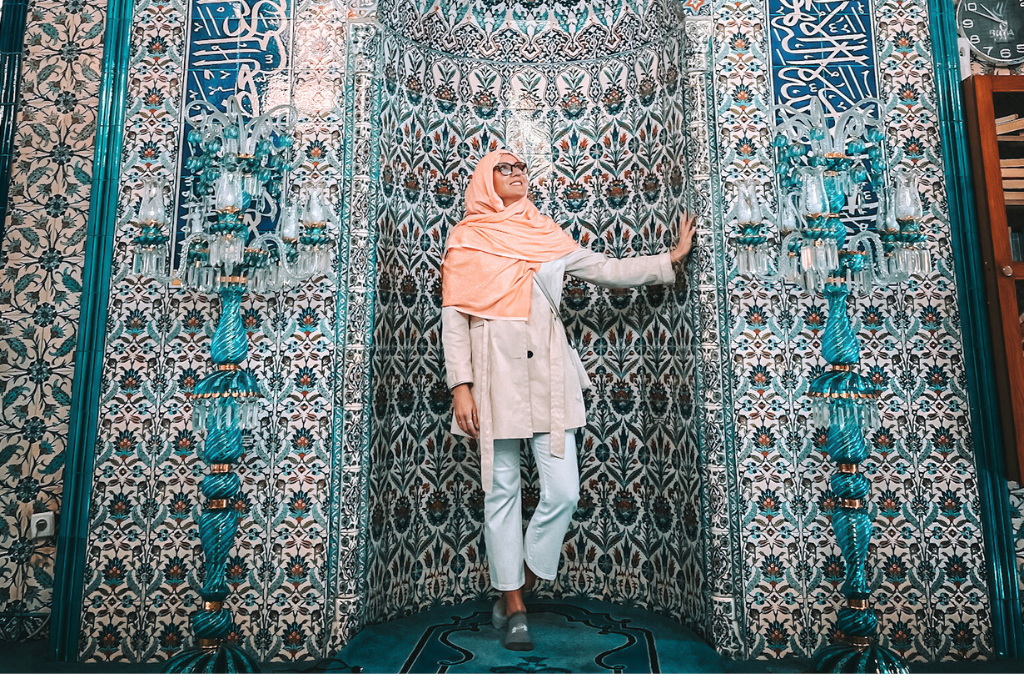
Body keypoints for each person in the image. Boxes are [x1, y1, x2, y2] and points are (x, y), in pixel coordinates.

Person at [439, 149, 696, 651]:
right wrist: (460, 387)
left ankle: (526, 577)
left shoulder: (545, 233)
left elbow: (605, 269)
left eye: (520, 168)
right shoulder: (468, 238)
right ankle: (513, 605)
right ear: (485, 181)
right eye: (504, 169)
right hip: (492, 376)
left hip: (548, 375)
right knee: (501, 492)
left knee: (563, 491)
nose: (517, 175)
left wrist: (668, 259)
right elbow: (455, 319)